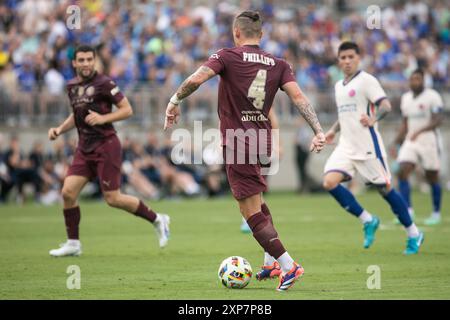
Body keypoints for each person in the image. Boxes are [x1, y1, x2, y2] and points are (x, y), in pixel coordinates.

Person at [164, 11, 325, 291]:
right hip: (261, 140)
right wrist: (318, 130)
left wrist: (174, 100)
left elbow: (196, 79)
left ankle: (289, 266)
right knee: (258, 202)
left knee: (248, 210)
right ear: (260, 35)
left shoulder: (226, 56)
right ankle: (270, 262)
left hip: (238, 142)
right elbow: (299, 98)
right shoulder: (279, 64)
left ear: (236, 33)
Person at [47, 45, 170, 257]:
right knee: (67, 193)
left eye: (89, 59)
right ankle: (73, 244)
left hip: (106, 146)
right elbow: (76, 115)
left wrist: (103, 118)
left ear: (94, 61)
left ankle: (158, 219)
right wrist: (59, 129)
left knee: (113, 198)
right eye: (81, 60)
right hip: (84, 148)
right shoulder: (71, 86)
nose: (85, 63)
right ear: (74, 63)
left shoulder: (104, 83)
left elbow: (127, 110)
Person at [322, 42, 424, 255]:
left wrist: (373, 118)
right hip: (346, 145)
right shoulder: (339, 86)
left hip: (368, 146)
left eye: (351, 57)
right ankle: (368, 220)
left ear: (358, 58)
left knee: (385, 190)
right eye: (343, 58)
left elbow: (386, 106)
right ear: (338, 61)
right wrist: (332, 131)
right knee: (329, 182)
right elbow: (345, 115)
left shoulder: (367, 81)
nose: (347, 61)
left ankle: (414, 233)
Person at [392, 69, 444, 225]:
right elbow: (405, 123)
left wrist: (420, 131)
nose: (415, 82)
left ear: (423, 80)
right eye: (412, 79)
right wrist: (396, 141)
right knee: (402, 171)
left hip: (428, 140)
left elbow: (437, 120)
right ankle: (408, 211)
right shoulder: (406, 98)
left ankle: (436, 213)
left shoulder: (433, 96)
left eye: (418, 79)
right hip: (411, 140)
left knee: (431, 176)